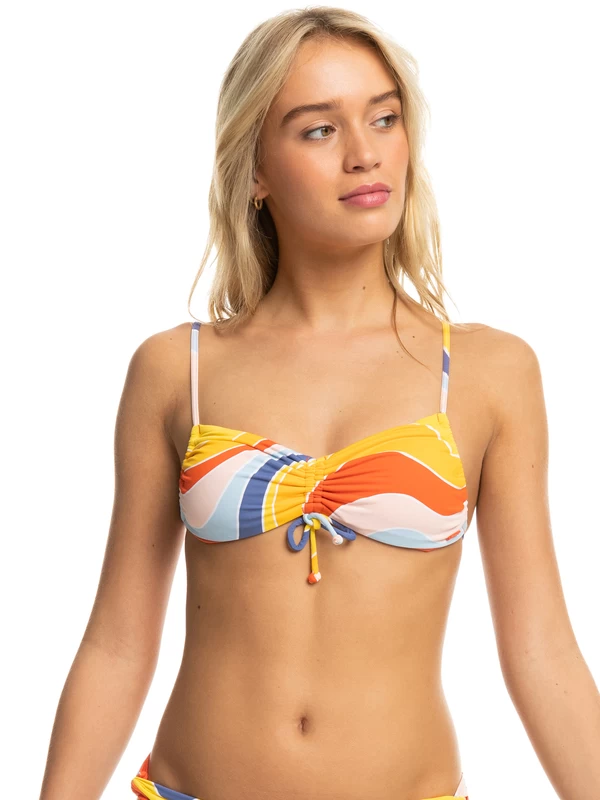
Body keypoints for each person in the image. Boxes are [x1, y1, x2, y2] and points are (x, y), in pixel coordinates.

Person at [39, 7, 600, 800]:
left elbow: (541, 651)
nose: (365, 153)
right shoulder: (176, 370)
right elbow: (118, 646)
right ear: (255, 173)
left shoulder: (487, 372)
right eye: (320, 130)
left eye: (384, 118)